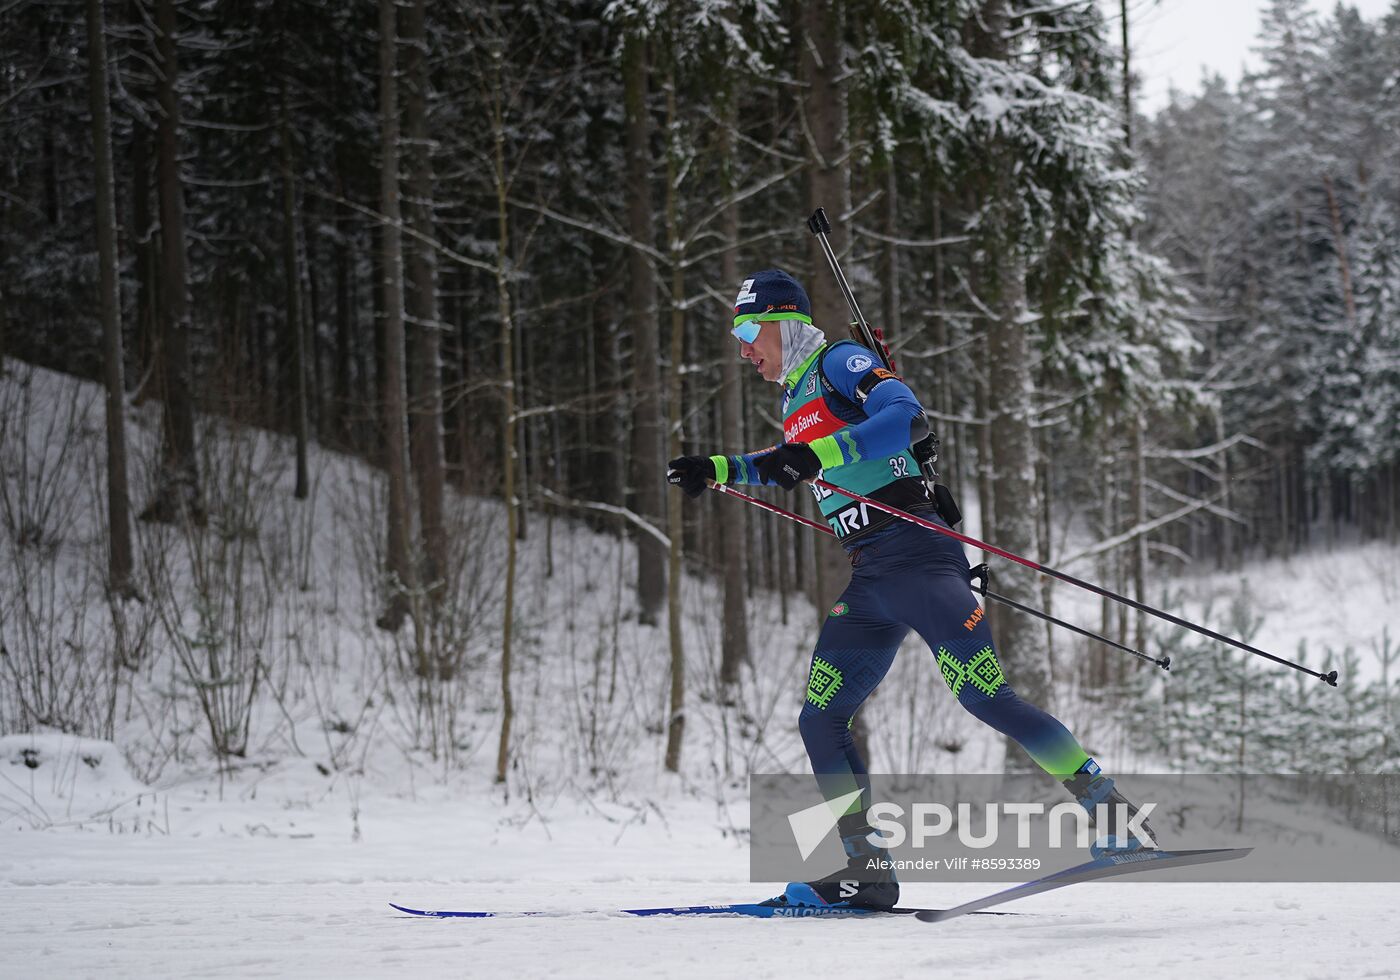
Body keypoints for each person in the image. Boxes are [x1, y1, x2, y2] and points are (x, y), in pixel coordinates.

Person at [667, 268, 1152, 911]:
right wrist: (718, 468)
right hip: (870, 575)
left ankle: (1115, 818)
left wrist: (817, 456)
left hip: (920, 556)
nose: (744, 347)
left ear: (784, 323)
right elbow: (785, 463)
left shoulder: (840, 360)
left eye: (751, 330)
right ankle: (867, 871)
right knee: (820, 719)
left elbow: (905, 417)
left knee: (988, 699)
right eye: (737, 334)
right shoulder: (793, 402)